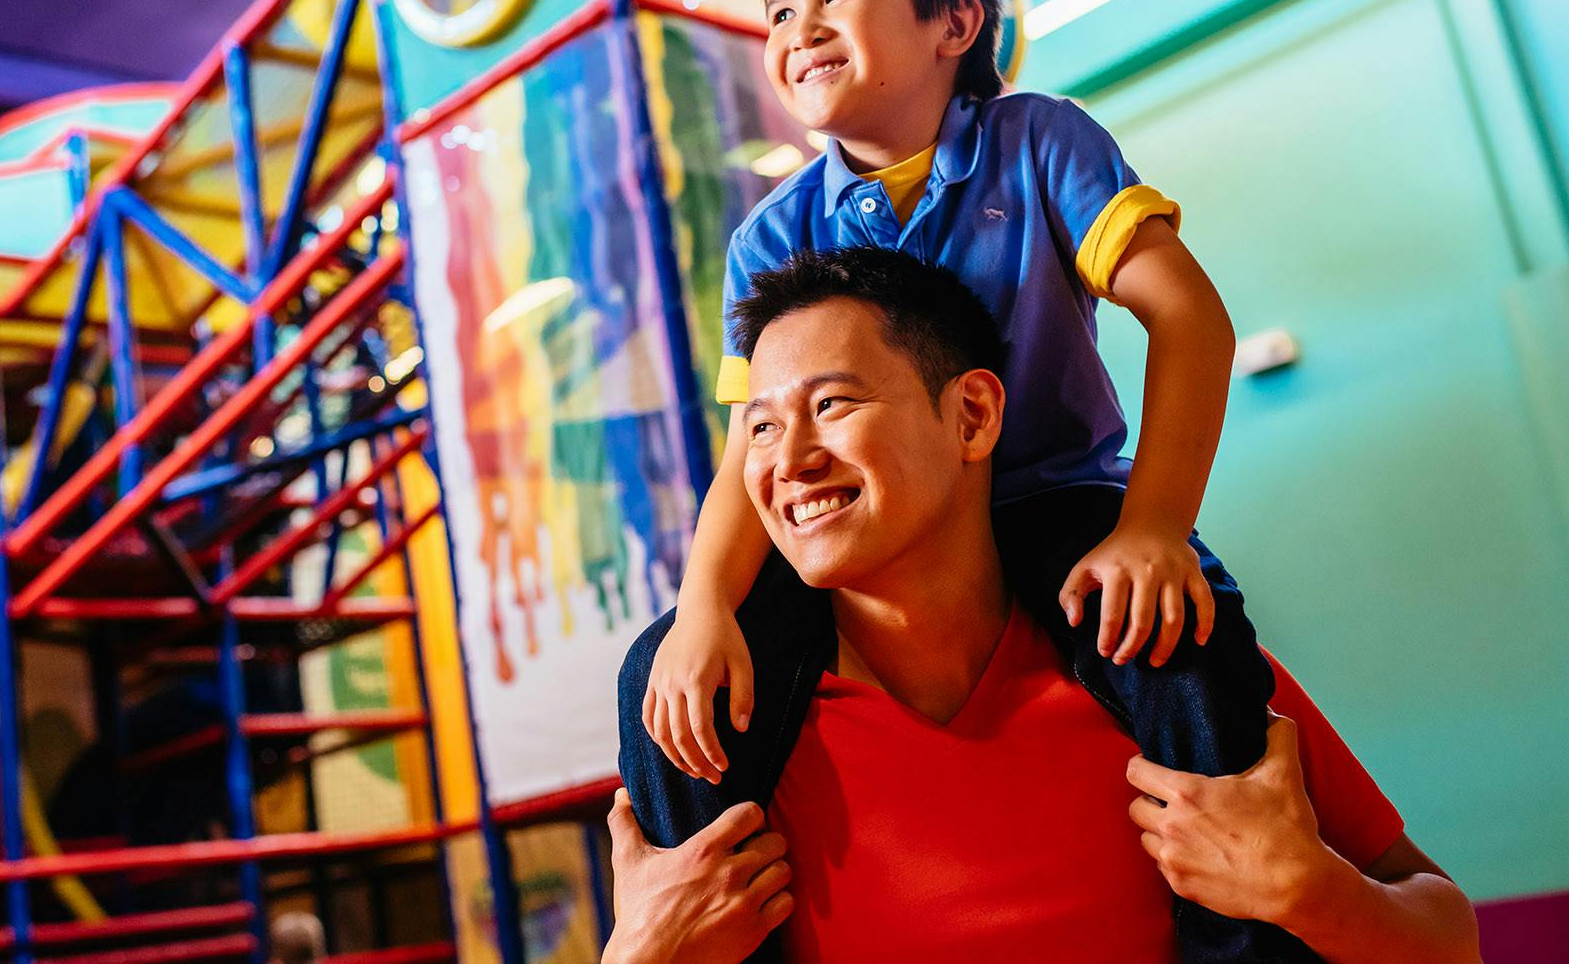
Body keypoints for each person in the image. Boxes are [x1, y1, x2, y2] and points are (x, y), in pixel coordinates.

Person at [640, 0, 1291, 958]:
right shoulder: (769, 235)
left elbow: (1189, 320)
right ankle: (705, 924)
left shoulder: (1040, 142)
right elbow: (746, 449)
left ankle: (1242, 928)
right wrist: (703, 602)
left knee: (1185, 644)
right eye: (776, 13)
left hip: (1049, 500)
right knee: (666, 678)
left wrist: (1151, 529)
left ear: (954, 20)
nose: (797, 31)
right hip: (861, 550)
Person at [610, 248, 1479, 962]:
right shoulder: (723, 730)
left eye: (832, 404)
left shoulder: (1161, 660)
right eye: (759, 426)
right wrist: (638, 956)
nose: (788, 458)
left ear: (973, 415)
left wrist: (1311, 890)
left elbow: (1449, 936)